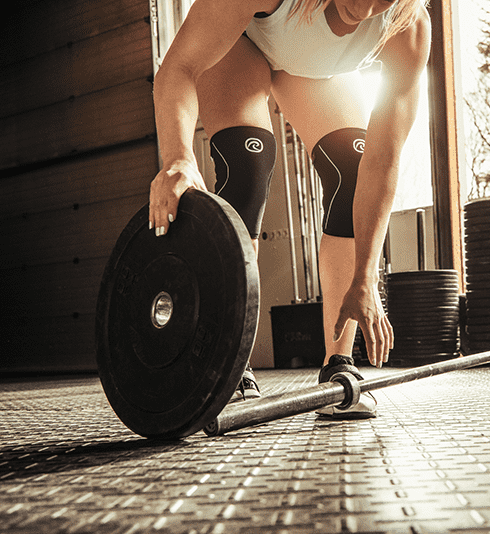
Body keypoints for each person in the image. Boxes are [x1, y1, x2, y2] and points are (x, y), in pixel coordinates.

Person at [147, 0, 431, 418]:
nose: (366, 6)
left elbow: (383, 160)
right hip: (240, 45)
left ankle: (339, 364)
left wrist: (366, 276)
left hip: (308, 69)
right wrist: (177, 157)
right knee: (249, 164)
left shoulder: (408, 26)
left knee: (353, 168)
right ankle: (227, 357)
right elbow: (179, 68)